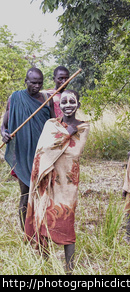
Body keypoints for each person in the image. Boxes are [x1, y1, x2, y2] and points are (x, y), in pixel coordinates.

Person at [25, 89, 90, 274]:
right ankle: (44, 263)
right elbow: (42, 150)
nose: (68, 105)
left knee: (65, 221)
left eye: (72, 101)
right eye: (64, 102)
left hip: (67, 182)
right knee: (42, 216)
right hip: (46, 179)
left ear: (78, 104)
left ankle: (69, 268)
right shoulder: (51, 124)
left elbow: (74, 152)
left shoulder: (83, 126)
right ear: (59, 106)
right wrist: (66, 134)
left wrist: (66, 136)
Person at [1, 67, 54, 230]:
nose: (37, 86)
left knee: (45, 194)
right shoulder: (15, 98)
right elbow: (4, 125)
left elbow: (53, 125)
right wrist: (4, 134)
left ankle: (42, 230)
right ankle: (26, 232)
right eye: (33, 83)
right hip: (23, 154)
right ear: (26, 81)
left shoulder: (47, 98)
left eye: (40, 83)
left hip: (43, 153)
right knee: (25, 194)